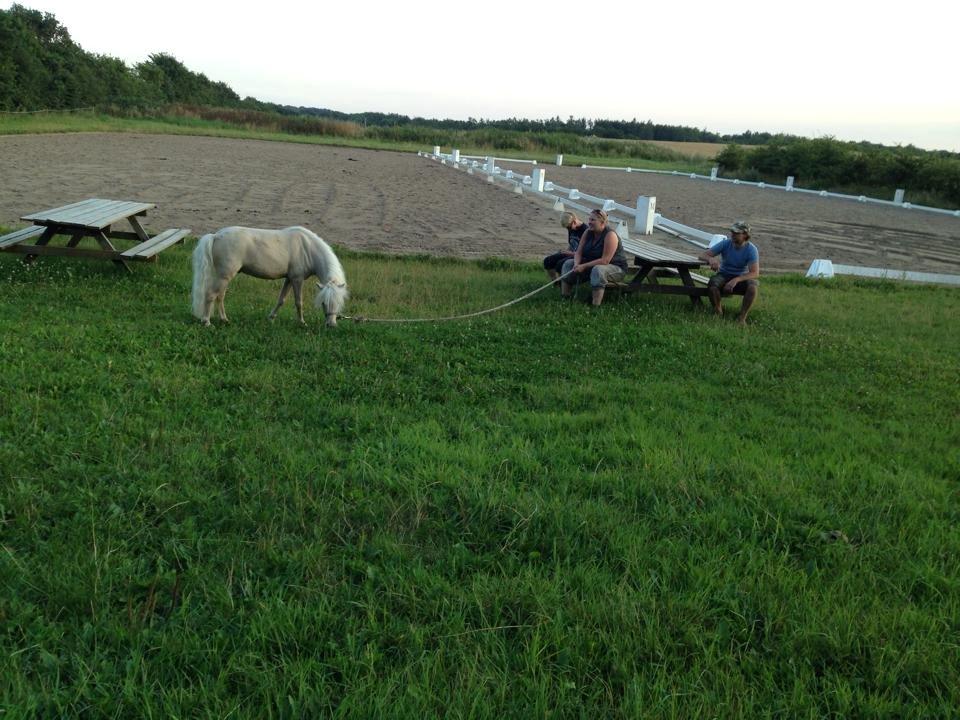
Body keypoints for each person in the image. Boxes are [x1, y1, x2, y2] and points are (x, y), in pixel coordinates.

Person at [560, 209, 629, 306]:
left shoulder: (610, 235)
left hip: (615, 267)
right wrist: (576, 264)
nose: (589, 222)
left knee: (598, 270)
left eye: (593, 220)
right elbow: (578, 252)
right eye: (589, 219)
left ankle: (595, 305)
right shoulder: (588, 232)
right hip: (592, 264)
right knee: (568, 264)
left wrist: (583, 266)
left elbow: (605, 261)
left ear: (602, 222)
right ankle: (565, 298)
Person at [699, 220, 760, 324]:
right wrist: (711, 259)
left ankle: (742, 317)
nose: (733, 235)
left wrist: (736, 280)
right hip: (723, 275)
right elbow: (703, 255)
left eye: (736, 233)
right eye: (732, 232)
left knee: (753, 287)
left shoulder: (751, 249)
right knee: (713, 285)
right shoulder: (726, 243)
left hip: (741, 277)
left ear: (745, 235)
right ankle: (718, 311)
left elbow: (754, 273)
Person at [544, 211, 586, 282]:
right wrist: (566, 251)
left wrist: (570, 253)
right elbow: (572, 243)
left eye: (569, 227)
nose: (568, 229)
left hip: (579, 256)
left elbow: (586, 251)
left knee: (560, 264)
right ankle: (555, 282)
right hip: (571, 253)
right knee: (548, 261)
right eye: (567, 228)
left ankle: (563, 283)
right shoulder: (572, 228)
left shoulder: (585, 231)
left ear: (574, 222)